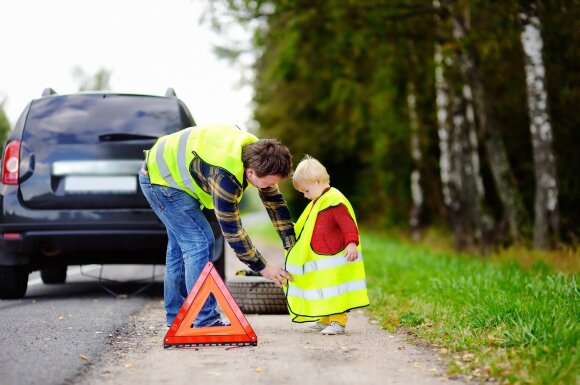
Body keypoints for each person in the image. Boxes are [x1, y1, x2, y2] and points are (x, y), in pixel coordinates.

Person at [139, 124, 295, 328]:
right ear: (250, 172)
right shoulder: (225, 176)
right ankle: (205, 319)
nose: (268, 188)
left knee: (179, 249)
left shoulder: (260, 155)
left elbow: (275, 204)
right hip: (160, 181)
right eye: (266, 183)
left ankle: (176, 317)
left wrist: (292, 246)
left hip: (167, 174)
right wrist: (262, 267)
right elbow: (233, 230)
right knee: (199, 241)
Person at [285, 155, 369, 335]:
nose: (306, 196)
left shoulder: (334, 200)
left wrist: (352, 243)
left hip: (336, 258)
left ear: (317, 181)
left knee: (335, 290)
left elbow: (348, 224)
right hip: (322, 257)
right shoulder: (318, 202)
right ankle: (324, 320)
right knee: (324, 289)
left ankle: (338, 322)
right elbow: (306, 226)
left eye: (306, 191)